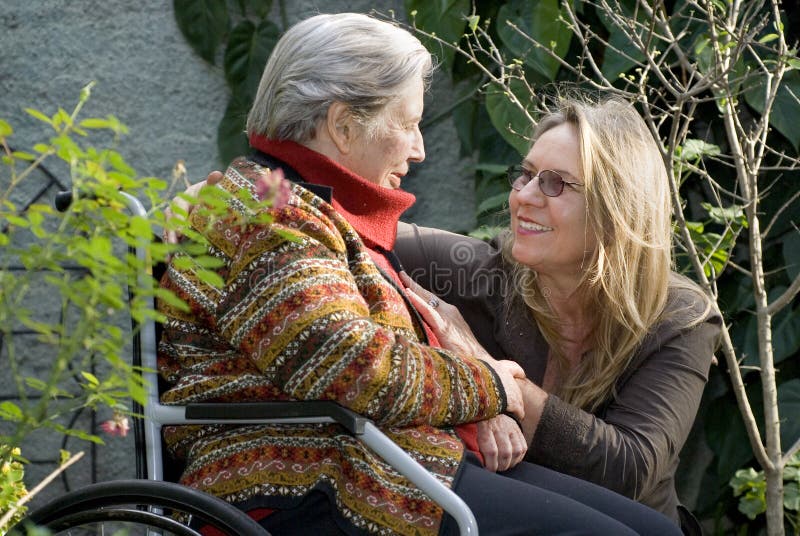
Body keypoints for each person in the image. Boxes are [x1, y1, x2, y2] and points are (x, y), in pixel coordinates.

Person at [158, 12, 682, 536]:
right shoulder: (267, 213)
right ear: (343, 126)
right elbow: (350, 361)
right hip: (306, 476)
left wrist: (480, 401)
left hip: (375, 459)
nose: (419, 149)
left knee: (657, 532)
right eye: (408, 124)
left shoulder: (308, 212)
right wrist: (490, 385)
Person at [395, 96, 723, 534]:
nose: (524, 197)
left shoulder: (679, 318)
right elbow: (347, 226)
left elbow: (628, 468)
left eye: (556, 184)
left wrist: (492, 375)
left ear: (616, 210)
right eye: (526, 176)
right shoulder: (481, 273)